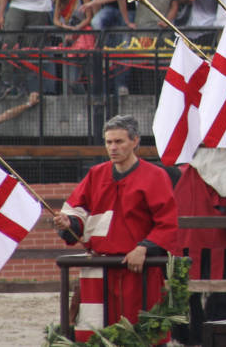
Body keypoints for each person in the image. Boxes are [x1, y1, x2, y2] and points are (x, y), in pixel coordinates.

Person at [53, 116, 178, 342]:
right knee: (97, 334)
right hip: (100, 270)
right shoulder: (96, 174)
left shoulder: (155, 176)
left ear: (135, 141)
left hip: (139, 271)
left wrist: (144, 248)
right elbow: (78, 211)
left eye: (119, 141)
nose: (113, 147)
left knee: (143, 334)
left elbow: (167, 222)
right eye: (109, 142)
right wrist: (68, 223)